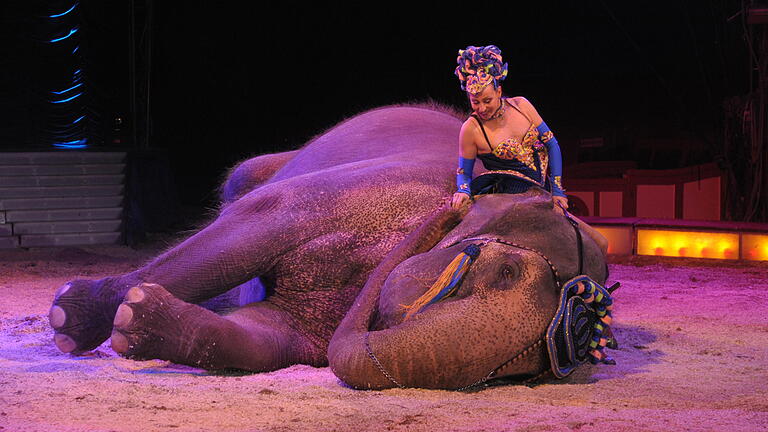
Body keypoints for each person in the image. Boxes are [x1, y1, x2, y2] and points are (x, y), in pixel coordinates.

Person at [450, 45, 568, 213]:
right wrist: (463, 190)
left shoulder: (522, 105)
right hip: (506, 195)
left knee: (596, 240)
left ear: (499, 91)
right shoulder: (471, 128)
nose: (482, 108)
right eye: (475, 102)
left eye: (487, 100)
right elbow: (464, 173)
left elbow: (552, 145)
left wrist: (557, 190)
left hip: (544, 190)